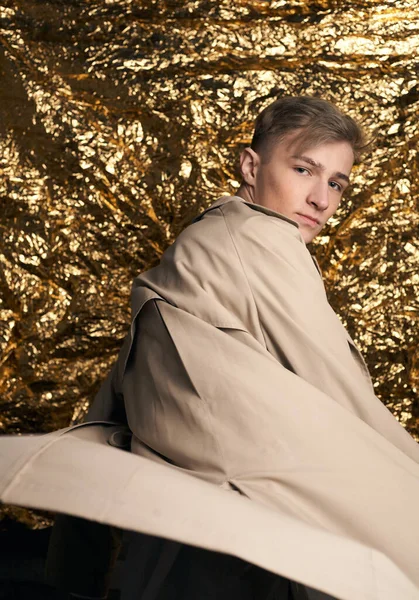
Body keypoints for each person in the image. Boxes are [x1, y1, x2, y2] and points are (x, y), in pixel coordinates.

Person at [3, 97, 419, 600]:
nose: (321, 199)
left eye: (335, 182)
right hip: (245, 501)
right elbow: (340, 390)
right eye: (304, 169)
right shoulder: (263, 240)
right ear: (251, 165)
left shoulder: (206, 236)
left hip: (188, 507)